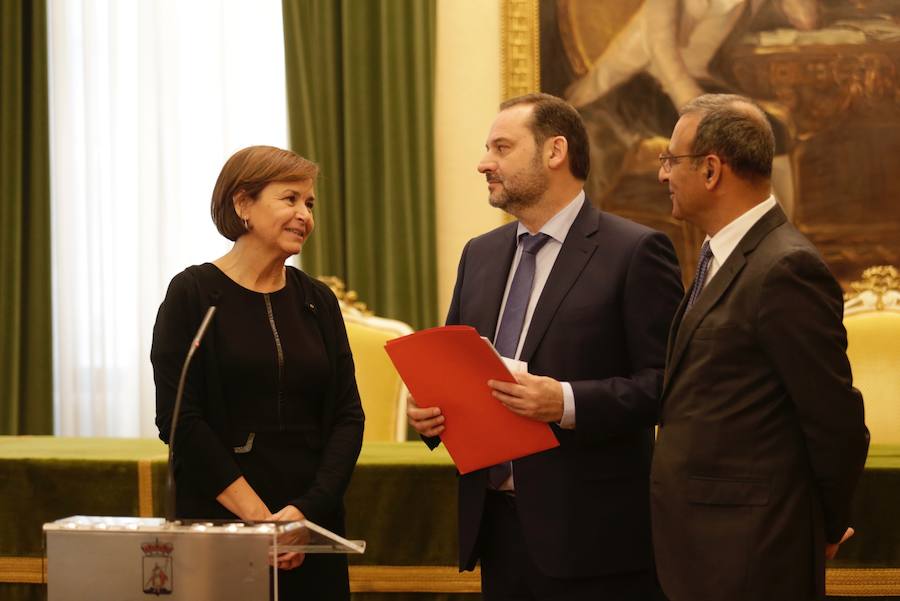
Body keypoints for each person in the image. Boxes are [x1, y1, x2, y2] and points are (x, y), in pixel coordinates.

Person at [408, 93, 683, 600]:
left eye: (501, 147)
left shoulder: (635, 252)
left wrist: (565, 402)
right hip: (496, 531)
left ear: (555, 151)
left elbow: (667, 385)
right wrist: (430, 411)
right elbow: (453, 367)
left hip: (592, 542)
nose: (483, 163)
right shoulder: (480, 254)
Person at [651, 94, 869, 601]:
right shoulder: (719, 255)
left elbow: (834, 419)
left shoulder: (786, 267)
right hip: (704, 547)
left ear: (711, 170)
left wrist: (824, 525)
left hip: (752, 555)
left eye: (671, 160)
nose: (662, 174)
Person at [151, 145, 364, 600]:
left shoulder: (318, 301)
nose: (304, 215)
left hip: (310, 524)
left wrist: (306, 513)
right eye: (290, 199)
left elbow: (348, 415)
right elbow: (178, 418)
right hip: (221, 518)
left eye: (310, 203)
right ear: (243, 204)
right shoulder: (192, 293)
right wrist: (260, 521)